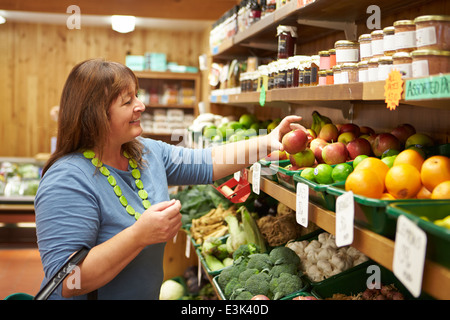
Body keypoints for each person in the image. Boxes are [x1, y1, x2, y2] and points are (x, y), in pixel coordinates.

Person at [34, 58, 304, 300]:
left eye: (136, 96)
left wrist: (268, 142)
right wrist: (140, 235)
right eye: (127, 102)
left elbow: (207, 162)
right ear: (93, 115)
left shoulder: (145, 152)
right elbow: (67, 279)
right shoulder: (67, 179)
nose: (141, 105)